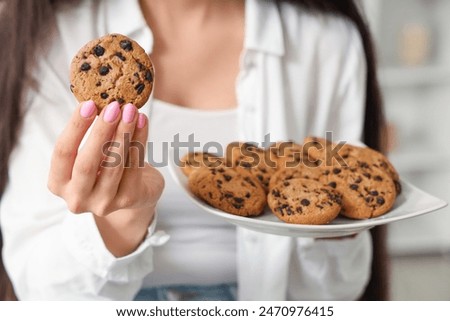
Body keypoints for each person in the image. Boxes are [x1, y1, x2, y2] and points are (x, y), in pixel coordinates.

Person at [0, 0, 389, 300]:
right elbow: (42, 292)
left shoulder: (328, 43)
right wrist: (121, 221)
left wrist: (336, 221)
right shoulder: (51, 39)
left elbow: (335, 294)